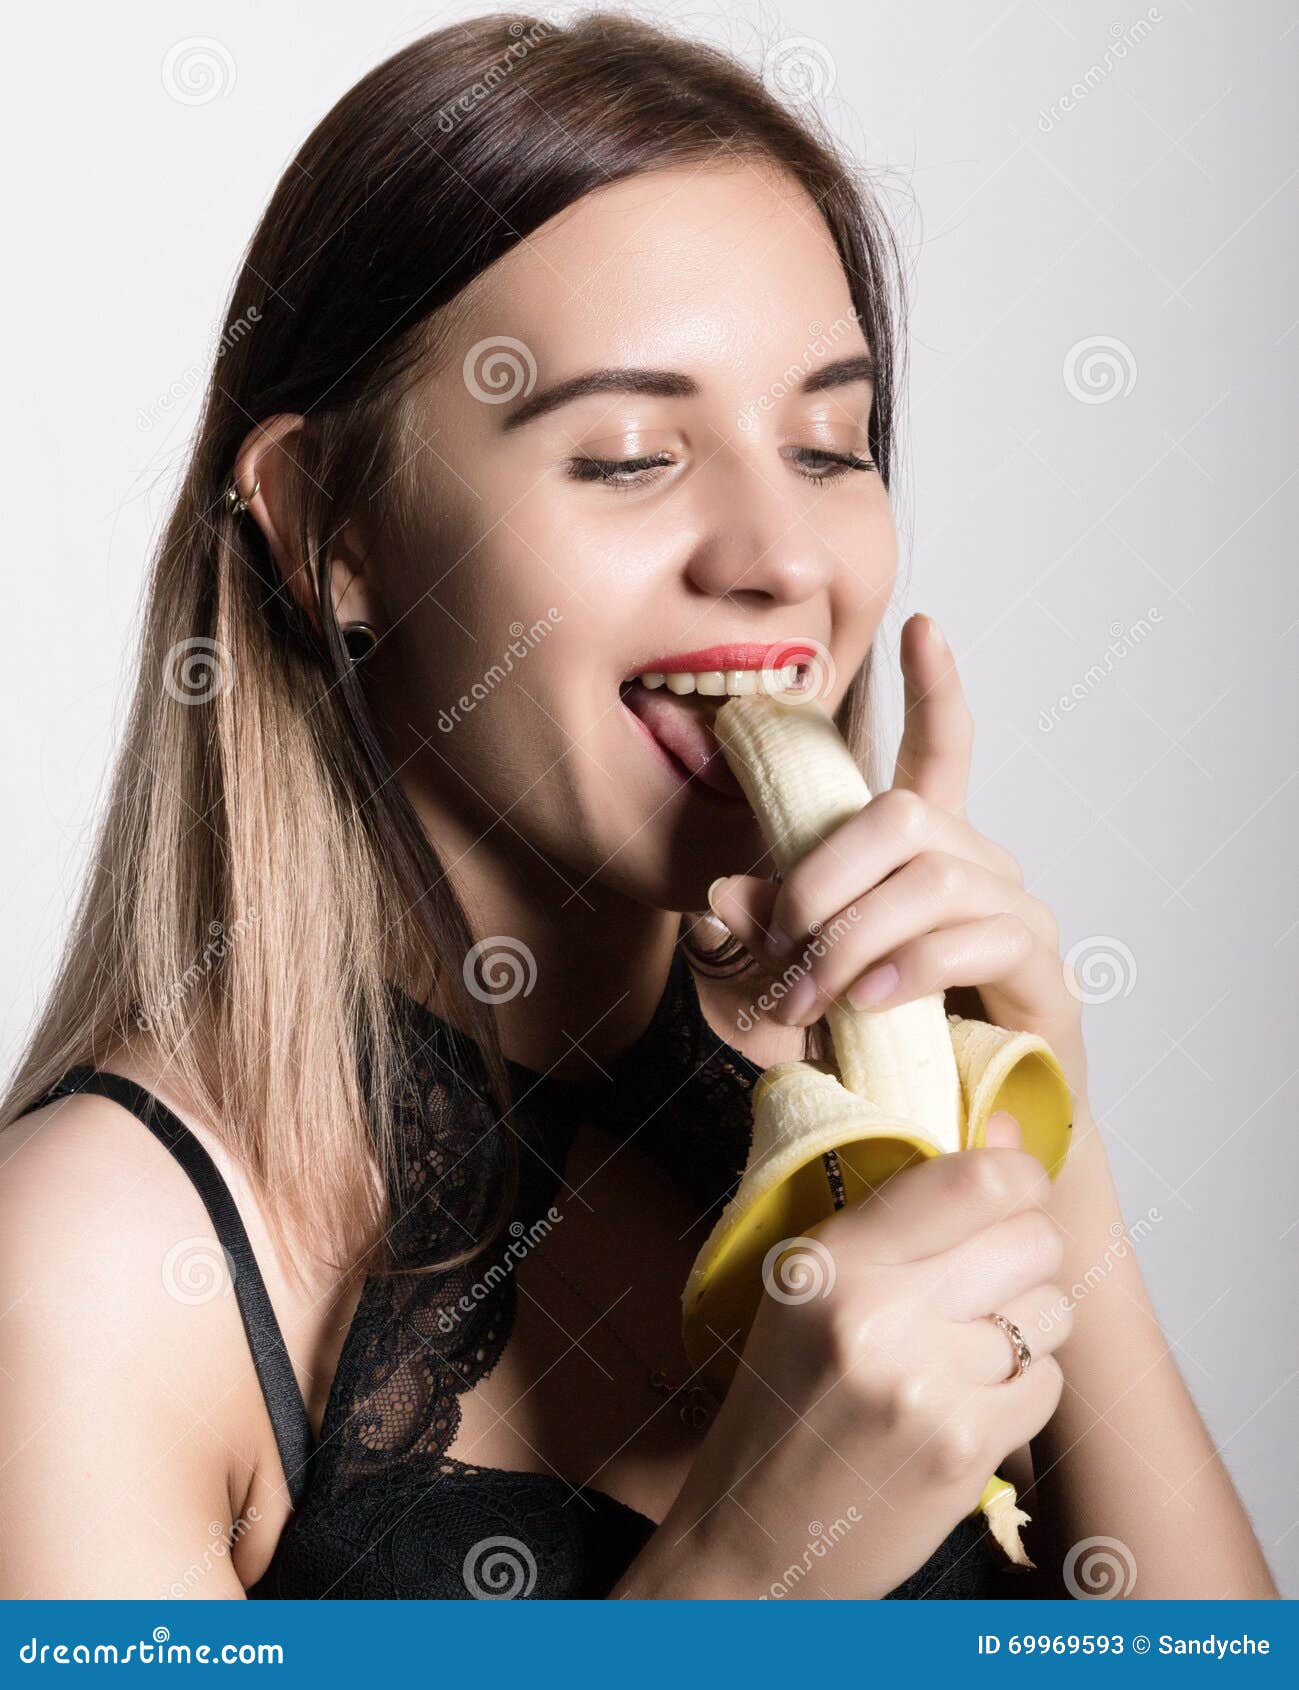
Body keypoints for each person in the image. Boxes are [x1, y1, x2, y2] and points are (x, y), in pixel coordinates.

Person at [0, 11, 1275, 1600]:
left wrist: (1033, 1126)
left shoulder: (865, 1124)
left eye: (830, 444)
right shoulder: (89, 1268)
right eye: (624, 455)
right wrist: (756, 1564)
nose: (779, 556)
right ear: (329, 524)